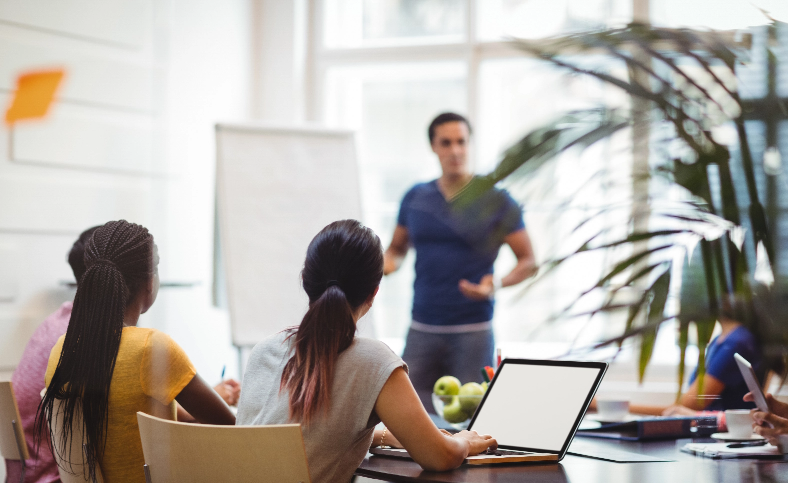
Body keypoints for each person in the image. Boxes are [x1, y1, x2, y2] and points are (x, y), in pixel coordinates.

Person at [236, 220, 497, 482]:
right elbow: (440, 457)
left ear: (305, 280)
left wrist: (381, 435)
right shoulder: (373, 360)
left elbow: (292, 435)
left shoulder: (265, 350)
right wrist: (465, 440)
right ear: (374, 293)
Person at [4, 227, 240, 483]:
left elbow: (160, 412)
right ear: (149, 283)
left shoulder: (61, 349)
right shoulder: (152, 347)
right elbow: (231, 428)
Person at [384, 112, 536, 410]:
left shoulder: (497, 199)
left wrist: (497, 284)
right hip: (422, 327)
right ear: (433, 147)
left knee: (472, 420)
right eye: (446, 142)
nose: (455, 150)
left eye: (461, 142)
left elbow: (529, 260)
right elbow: (396, 250)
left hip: (473, 330)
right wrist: (383, 266)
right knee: (407, 416)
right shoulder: (415, 197)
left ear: (469, 144)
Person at [629, 304, 766, 417]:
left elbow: (680, 410)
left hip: (720, 437)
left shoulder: (735, 344)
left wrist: (624, 408)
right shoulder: (723, 339)